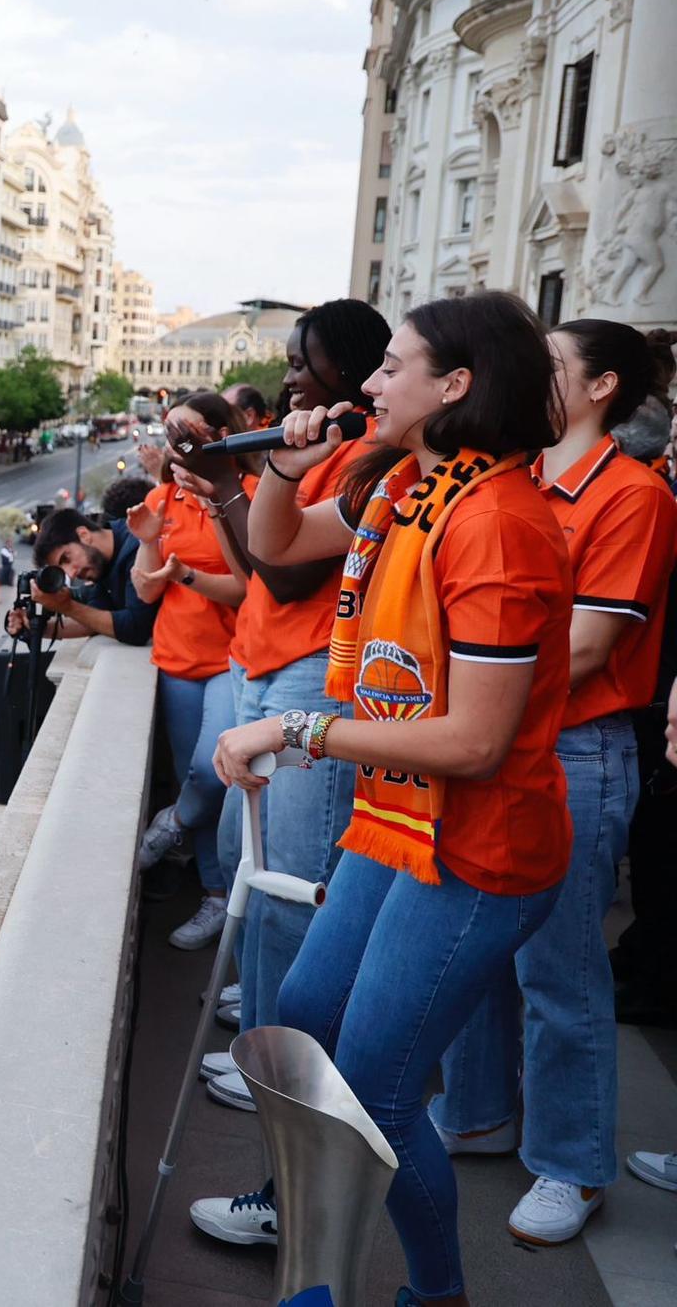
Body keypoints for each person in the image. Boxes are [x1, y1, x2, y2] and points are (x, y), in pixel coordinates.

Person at [208, 291, 574, 1302]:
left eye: (391, 366)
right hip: (397, 818)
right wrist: (280, 465)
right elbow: (276, 547)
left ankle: (431, 1289)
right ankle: (311, 1232)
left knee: (374, 1083)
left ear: (451, 386)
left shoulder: (494, 523)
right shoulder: (405, 488)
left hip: (476, 847)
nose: (366, 383)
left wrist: (295, 729)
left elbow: (473, 738)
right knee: (308, 1010)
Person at [427, 319, 675, 1245]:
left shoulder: (634, 495)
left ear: (603, 386)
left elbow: (587, 648)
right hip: (494, 741)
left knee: (560, 975)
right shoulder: (517, 479)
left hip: (571, 750)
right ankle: (481, 1114)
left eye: (555, 365)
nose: (535, 375)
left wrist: (462, 703)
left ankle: (571, 1166)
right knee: (477, 948)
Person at [167, 298, 394, 1128]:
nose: (290, 377)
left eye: (304, 362)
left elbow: (290, 572)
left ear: (348, 368)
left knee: (290, 881)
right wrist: (229, 489)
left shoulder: (365, 456)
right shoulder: (324, 452)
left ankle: (282, 1068)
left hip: (308, 679)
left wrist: (243, 483)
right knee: (248, 865)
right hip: (261, 663)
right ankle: (262, 1035)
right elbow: (255, 560)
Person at [128, 392, 250, 951]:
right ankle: (214, 895)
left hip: (230, 657)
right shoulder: (161, 498)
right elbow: (144, 588)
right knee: (194, 774)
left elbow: (248, 586)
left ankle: (171, 824)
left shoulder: (242, 496)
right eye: (171, 432)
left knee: (210, 772)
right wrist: (152, 546)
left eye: (189, 434)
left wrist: (187, 576)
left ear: (223, 435)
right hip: (176, 658)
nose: (176, 444)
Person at [14, 509, 158, 647]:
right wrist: (36, 627)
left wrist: (66, 606)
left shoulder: (136, 545)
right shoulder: (101, 564)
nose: (70, 574)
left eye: (66, 558)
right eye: (62, 570)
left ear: (84, 535)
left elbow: (137, 629)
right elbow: (95, 621)